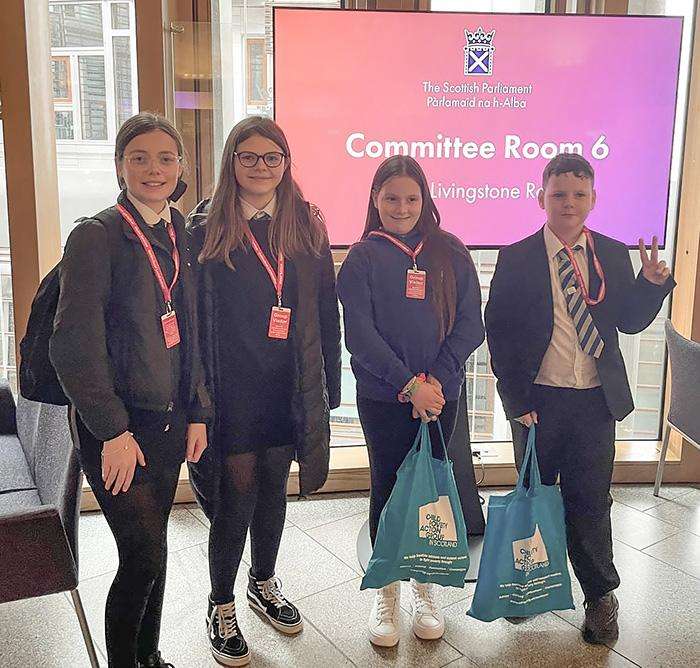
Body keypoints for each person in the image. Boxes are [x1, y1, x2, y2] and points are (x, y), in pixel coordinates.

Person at [485, 152, 675, 643]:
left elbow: (629, 320)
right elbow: (499, 332)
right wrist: (513, 398)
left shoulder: (611, 253)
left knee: (590, 501)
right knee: (535, 497)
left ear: (593, 199)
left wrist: (652, 287)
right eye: (558, 194)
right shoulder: (517, 256)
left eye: (578, 194)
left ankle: (600, 595)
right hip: (537, 403)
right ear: (541, 197)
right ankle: (529, 585)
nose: (568, 203)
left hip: (595, 402)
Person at [50, 112, 211, 668]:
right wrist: (112, 429)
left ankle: (150, 654)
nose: (153, 169)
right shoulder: (97, 236)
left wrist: (198, 412)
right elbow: (73, 345)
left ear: (182, 167)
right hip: (117, 427)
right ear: (119, 166)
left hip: (169, 422)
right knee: (141, 555)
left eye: (166, 158)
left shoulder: (178, 233)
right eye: (138, 157)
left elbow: (191, 331)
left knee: (157, 549)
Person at [187, 116, 341, 667]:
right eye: (248, 157)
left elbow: (326, 308)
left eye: (271, 157)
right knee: (235, 500)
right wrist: (195, 401)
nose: (260, 167)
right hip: (230, 390)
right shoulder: (204, 227)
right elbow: (192, 321)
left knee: (275, 488)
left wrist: (330, 386)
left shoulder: (305, 224)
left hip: (288, 385)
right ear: (232, 162)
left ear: (286, 163)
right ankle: (220, 603)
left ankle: (263, 581)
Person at [336, 155, 484, 647]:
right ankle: (386, 592)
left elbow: (470, 326)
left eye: (411, 198)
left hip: (442, 398)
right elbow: (359, 334)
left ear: (426, 200)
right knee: (388, 490)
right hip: (383, 398)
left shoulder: (452, 252)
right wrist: (408, 385)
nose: (402, 207)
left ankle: (425, 590)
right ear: (375, 200)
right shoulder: (361, 258)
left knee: (429, 494)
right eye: (391, 197)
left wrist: (435, 383)